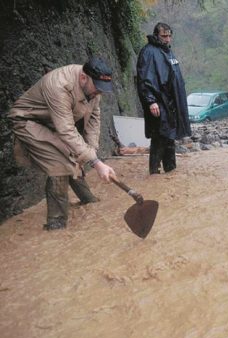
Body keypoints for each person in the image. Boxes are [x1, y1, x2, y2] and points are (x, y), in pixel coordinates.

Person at [8, 57, 117, 230]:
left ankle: (89, 201)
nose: (99, 93)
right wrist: (96, 163)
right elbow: (66, 130)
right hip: (29, 121)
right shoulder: (59, 85)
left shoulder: (94, 90)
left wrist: (92, 151)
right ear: (83, 78)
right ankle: (56, 224)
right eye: (97, 88)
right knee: (59, 164)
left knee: (77, 155)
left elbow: (94, 119)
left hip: (55, 123)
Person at [136, 22, 191, 175]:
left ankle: (170, 172)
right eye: (163, 36)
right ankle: (154, 173)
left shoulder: (168, 52)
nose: (167, 39)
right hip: (158, 103)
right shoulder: (148, 52)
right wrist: (150, 100)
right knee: (159, 138)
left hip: (171, 104)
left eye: (169, 36)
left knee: (169, 139)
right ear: (156, 35)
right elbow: (144, 79)